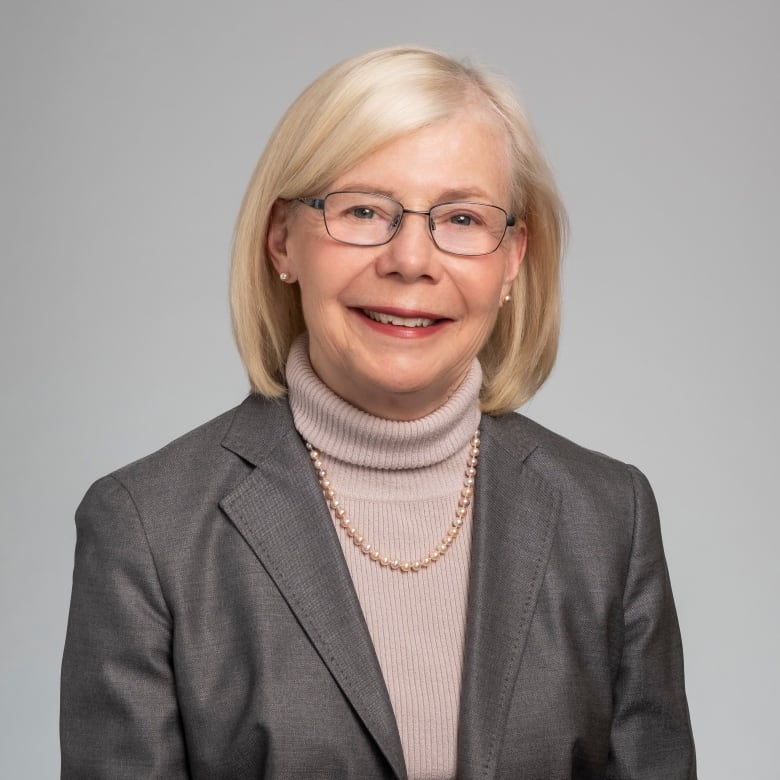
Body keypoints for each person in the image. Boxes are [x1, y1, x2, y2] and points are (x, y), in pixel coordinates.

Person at [60, 45, 696, 779]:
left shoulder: (610, 518)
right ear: (282, 242)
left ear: (514, 258)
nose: (411, 260)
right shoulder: (147, 530)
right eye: (363, 210)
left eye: (461, 217)